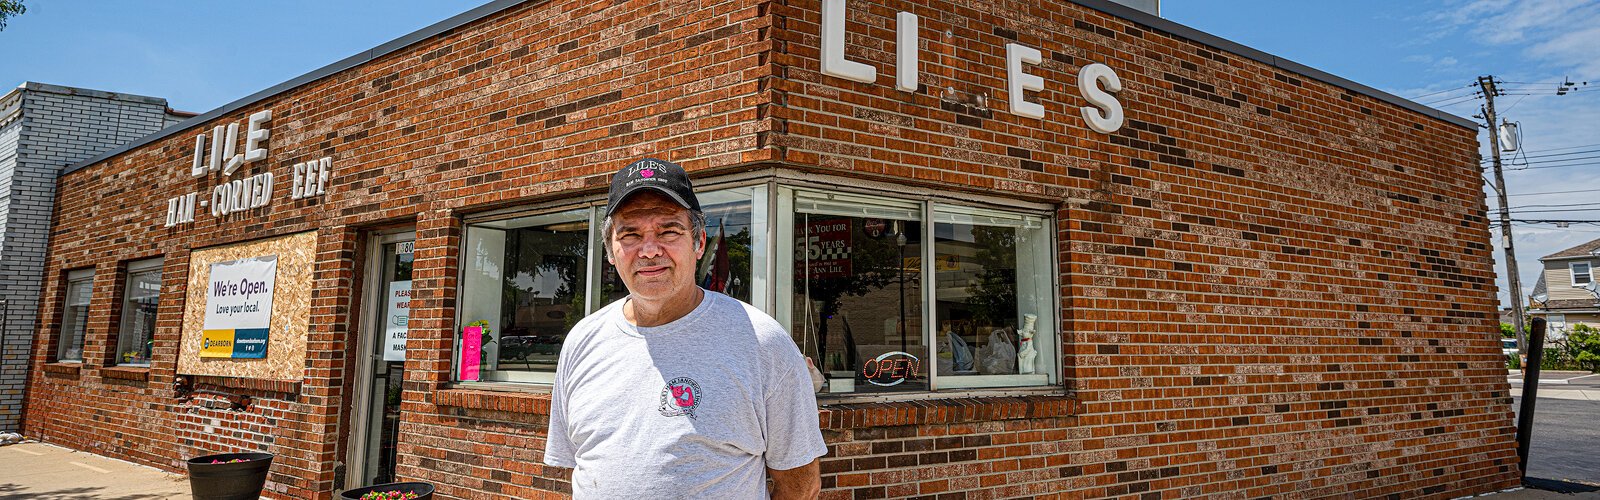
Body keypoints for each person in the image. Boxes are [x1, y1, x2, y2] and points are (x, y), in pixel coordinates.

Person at [543, 158, 827, 498]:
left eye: (669, 231)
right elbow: (584, 468)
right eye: (630, 234)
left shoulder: (762, 341)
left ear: (699, 242)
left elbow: (800, 483)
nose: (649, 250)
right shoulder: (582, 341)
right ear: (611, 251)